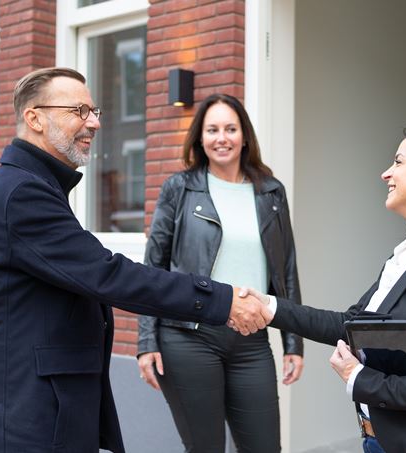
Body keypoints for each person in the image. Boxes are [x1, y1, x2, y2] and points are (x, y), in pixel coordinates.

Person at [0, 68, 270, 453]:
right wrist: (222, 301)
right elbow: (107, 274)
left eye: (95, 110)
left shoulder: (29, 186)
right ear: (34, 118)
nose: (94, 122)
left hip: (37, 413)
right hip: (26, 423)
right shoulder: (21, 194)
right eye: (79, 110)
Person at [241, 125, 406, 453]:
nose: (386, 173)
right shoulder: (404, 256)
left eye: (399, 162)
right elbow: (350, 324)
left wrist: (361, 379)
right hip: (379, 440)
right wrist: (270, 307)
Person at [136, 93, 304, 453]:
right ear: (200, 137)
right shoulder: (179, 189)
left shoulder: (271, 192)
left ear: (245, 136)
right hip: (188, 337)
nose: (221, 137)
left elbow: (285, 268)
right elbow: (154, 268)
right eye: (212, 129)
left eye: (230, 128)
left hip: (252, 340)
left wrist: (293, 340)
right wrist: (147, 341)